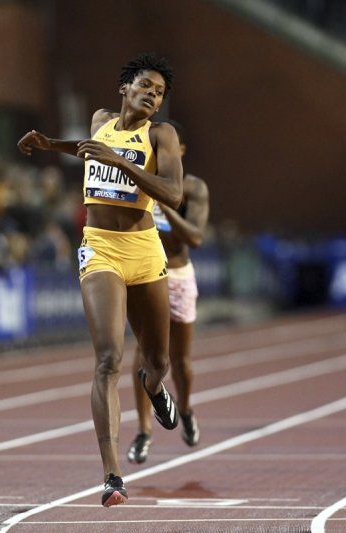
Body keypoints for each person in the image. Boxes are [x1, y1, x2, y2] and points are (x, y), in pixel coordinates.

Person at [17, 52, 183, 507]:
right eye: (146, 86)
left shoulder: (162, 135)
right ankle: (112, 476)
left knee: (159, 360)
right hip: (101, 246)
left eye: (160, 92)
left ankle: (152, 387)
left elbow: (173, 192)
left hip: (145, 250)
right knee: (109, 358)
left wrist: (122, 162)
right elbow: (90, 149)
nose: (152, 95)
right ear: (124, 88)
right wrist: (53, 144)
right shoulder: (99, 121)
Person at [127, 119, 209, 464]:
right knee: (141, 360)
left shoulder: (193, 189)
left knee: (180, 361)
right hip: (147, 275)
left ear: (182, 151)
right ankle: (144, 431)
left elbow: (195, 237)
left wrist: (167, 206)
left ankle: (186, 408)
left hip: (178, 275)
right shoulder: (140, 181)